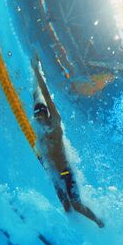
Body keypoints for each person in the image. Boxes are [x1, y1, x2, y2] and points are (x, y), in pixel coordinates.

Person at [32, 57, 104, 227]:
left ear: (45, 113)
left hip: (65, 172)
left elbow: (46, 96)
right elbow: (35, 94)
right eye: (36, 117)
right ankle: (79, 231)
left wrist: (37, 70)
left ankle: (99, 222)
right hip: (55, 175)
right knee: (66, 207)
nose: (37, 119)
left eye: (39, 116)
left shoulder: (55, 124)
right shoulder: (40, 130)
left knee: (76, 206)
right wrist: (33, 82)